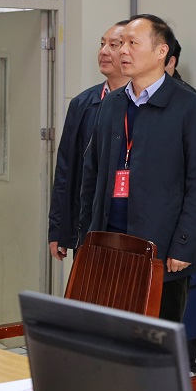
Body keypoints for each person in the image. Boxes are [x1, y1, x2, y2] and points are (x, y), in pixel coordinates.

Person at [80, 14, 196, 324]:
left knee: (153, 340)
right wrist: (85, 237)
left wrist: (184, 245)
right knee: (107, 333)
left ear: (161, 51)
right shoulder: (111, 104)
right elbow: (90, 175)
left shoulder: (191, 107)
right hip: (108, 245)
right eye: (121, 44)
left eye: (133, 43)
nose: (122, 51)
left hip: (161, 250)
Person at [48, 20, 130, 259]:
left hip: (130, 225)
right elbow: (66, 169)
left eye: (113, 45)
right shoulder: (83, 103)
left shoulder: (143, 104)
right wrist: (59, 229)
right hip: (89, 225)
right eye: (102, 44)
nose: (103, 51)